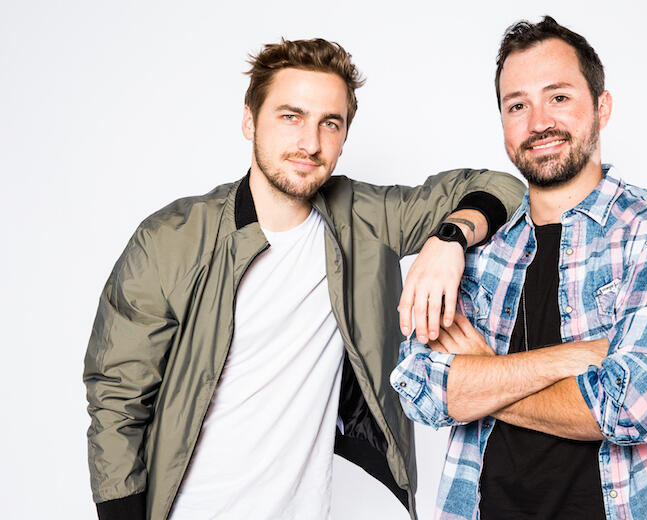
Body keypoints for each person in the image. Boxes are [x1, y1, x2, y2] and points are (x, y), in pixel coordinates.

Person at [83, 38, 525, 520]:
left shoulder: (364, 218)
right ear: (250, 120)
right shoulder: (171, 239)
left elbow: (502, 187)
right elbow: (117, 395)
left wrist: (449, 237)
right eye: (291, 116)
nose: (311, 144)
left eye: (329, 123)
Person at [392, 16, 647, 520]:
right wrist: (577, 358)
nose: (538, 122)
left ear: (602, 107)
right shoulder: (477, 253)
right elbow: (421, 390)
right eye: (517, 105)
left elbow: (629, 407)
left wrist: (483, 375)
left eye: (558, 97)